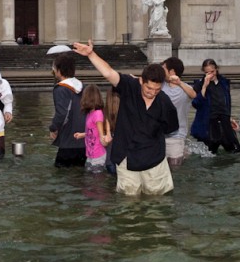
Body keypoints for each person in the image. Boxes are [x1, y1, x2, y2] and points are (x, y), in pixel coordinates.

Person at [72, 40, 178, 196]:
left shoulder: (164, 102)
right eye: (148, 88)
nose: (152, 92)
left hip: (154, 159)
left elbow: (171, 127)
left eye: (157, 89)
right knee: (128, 203)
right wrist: (91, 54)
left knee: (158, 202)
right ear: (141, 80)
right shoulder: (130, 86)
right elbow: (109, 72)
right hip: (126, 157)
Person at [190, 59, 240, 154]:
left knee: (236, 150)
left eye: (212, 71)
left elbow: (226, 102)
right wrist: (204, 86)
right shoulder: (199, 84)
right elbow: (196, 103)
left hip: (224, 121)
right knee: (209, 153)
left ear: (216, 69)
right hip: (209, 123)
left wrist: (229, 117)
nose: (210, 74)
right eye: (207, 72)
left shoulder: (224, 82)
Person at [48, 52, 86, 168]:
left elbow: (62, 114)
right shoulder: (82, 86)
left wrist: (53, 128)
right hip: (83, 141)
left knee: (60, 174)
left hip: (68, 140)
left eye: (54, 68)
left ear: (59, 70)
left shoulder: (61, 89)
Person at [161, 57, 197, 168]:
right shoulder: (160, 85)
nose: (161, 71)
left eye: (163, 69)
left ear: (172, 72)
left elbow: (194, 95)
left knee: (175, 168)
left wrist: (179, 83)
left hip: (177, 136)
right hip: (159, 136)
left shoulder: (185, 88)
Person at [73, 84, 110, 173]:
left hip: (98, 155)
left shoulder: (97, 113)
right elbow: (93, 131)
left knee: (96, 182)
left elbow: (101, 135)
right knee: (89, 180)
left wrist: (105, 139)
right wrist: (83, 134)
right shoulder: (90, 113)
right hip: (90, 154)